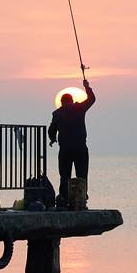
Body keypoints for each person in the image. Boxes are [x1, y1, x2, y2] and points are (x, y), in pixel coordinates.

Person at [48, 78, 95, 207]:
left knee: (64, 176)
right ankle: (81, 200)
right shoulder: (79, 108)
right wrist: (87, 87)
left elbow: (51, 130)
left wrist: (53, 139)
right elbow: (92, 99)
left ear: (61, 102)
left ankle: (64, 199)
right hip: (80, 148)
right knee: (82, 175)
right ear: (72, 100)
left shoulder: (57, 113)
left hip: (65, 150)